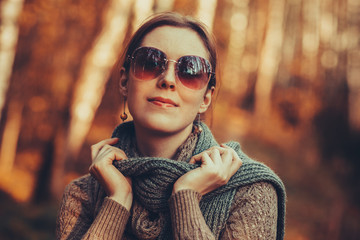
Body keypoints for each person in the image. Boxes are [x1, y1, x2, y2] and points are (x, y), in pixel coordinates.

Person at [56, 12, 286, 240]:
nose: (167, 80)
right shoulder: (84, 193)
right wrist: (116, 201)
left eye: (190, 71)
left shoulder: (251, 191)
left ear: (206, 99)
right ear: (125, 81)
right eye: (150, 62)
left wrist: (186, 197)